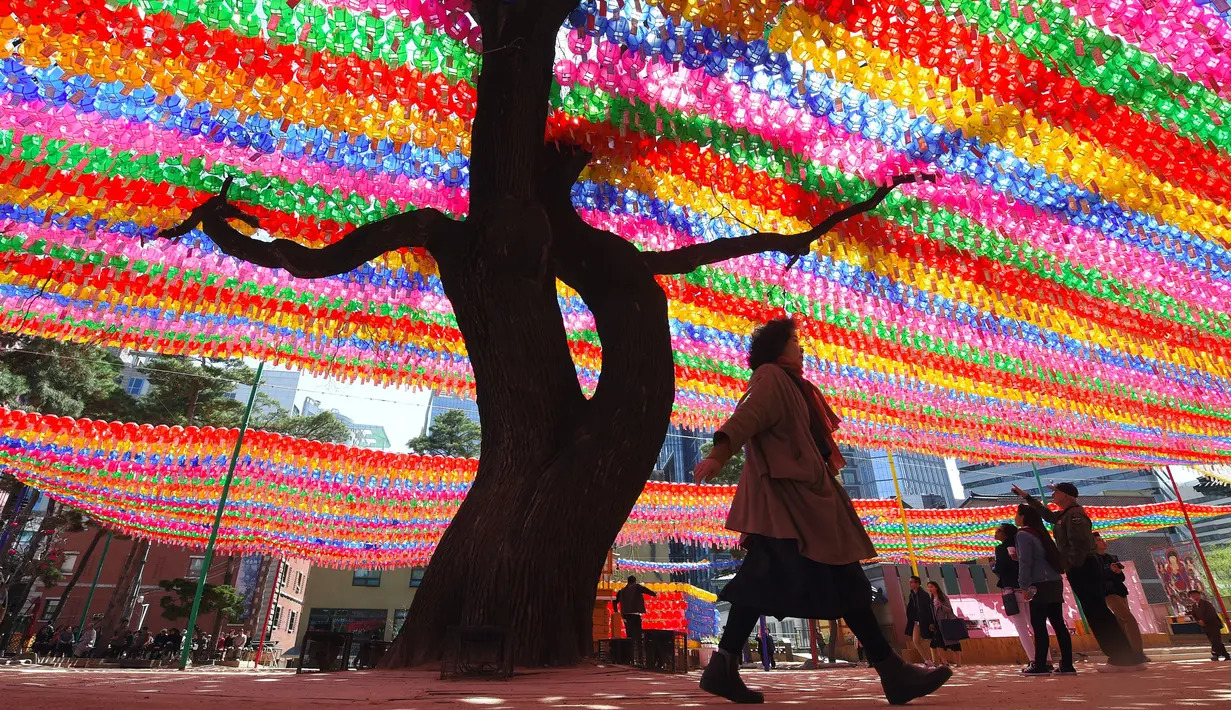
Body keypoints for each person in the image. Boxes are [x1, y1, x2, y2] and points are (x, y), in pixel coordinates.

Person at [694, 318, 951, 705]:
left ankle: (724, 666)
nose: (802, 347)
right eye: (795, 340)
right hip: (789, 503)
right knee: (836, 578)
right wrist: (717, 454)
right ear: (779, 349)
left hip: (802, 500)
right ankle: (892, 672)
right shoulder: (771, 377)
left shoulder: (794, 385)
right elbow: (747, 416)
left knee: (786, 580)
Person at [1013, 482, 1145, 671]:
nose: (1053, 496)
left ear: (1066, 495)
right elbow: (1048, 515)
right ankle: (1125, 657)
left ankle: (1122, 658)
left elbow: (1079, 544)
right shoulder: (1066, 514)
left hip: (1084, 567)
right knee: (1096, 611)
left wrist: (1070, 565)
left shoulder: (1075, 515)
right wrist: (1027, 497)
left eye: (1056, 492)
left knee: (1097, 612)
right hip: (1083, 566)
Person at [1015, 504, 1076, 676]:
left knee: (1039, 625)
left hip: (1039, 583)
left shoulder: (1023, 534)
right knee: (1058, 624)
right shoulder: (1041, 533)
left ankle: (1040, 664)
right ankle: (1067, 665)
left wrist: (1024, 586)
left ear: (1023, 516)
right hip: (1055, 581)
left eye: (1017, 514)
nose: (1015, 518)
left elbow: (1025, 562)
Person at [992, 523, 1047, 671]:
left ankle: (1033, 659)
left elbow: (1001, 567)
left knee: (1021, 627)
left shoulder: (1001, 549)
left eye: (998, 530)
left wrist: (994, 566)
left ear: (1006, 534)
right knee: (1035, 625)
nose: (995, 532)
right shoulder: (1024, 546)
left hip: (1012, 590)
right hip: (1029, 588)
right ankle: (1045, 659)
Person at [1094, 533, 1144, 658]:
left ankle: (1126, 652)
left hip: (1120, 590)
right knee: (1128, 618)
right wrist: (1109, 571)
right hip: (1108, 592)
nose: (1103, 542)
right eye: (1099, 540)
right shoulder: (1093, 559)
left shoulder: (1112, 557)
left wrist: (1116, 571)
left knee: (1121, 621)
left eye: (1103, 539)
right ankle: (1137, 652)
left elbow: (1121, 577)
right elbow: (1098, 577)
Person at [925, 582, 963, 668]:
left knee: (954, 643)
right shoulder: (931, 599)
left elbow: (950, 610)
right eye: (928, 587)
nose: (930, 589)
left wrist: (941, 606)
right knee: (939, 644)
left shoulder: (943, 597)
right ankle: (945, 663)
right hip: (938, 623)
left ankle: (958, 663)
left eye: (931, 587)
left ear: (936, 587)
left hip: (947, 622)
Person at [1187, 589, 1229, 661]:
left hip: (1213, 624)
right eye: (1192, 596)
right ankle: (1226, 655)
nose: (1194, 597)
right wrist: (1198, 621)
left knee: (1216, 639)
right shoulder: (1194, 606)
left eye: (1195, 595)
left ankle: (1215, 654)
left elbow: (1211, 613)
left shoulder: (1206, 603)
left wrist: (1204, 620)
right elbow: (1194, 615)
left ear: (1199, 595)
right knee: (1214, 640)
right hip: (1205, 626)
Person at [612, 575, 657, 642]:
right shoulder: (637, 587)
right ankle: (638, 648)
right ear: (634, 582)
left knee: (629, 633)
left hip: (625, 615)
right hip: (635, 614)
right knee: (638, 633)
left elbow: (615, 601)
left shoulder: (622, 591)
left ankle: (630, 648)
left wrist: (616, 610)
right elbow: (645, 590)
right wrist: (654, 594)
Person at [903, 576, 935, 666]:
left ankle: (933, 660)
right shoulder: (912, 594)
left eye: (912, 582)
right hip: (916, 620)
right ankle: (928, 660)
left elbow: (928, 609)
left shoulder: (923, 595)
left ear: (917, 583)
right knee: (916, 640)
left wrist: (931, 622)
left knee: (928, 640)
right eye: (910, 582)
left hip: (925, 620)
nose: (910, 584)